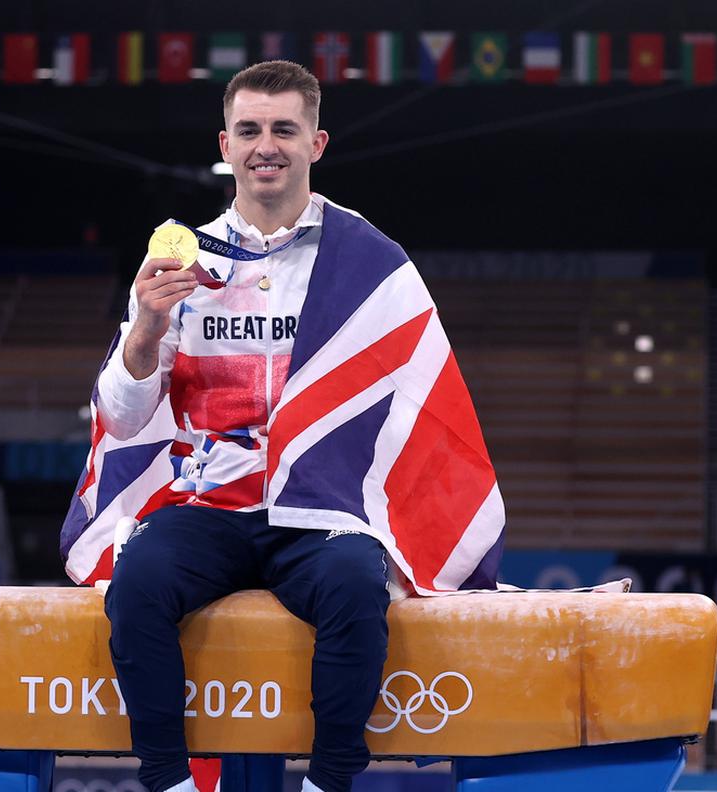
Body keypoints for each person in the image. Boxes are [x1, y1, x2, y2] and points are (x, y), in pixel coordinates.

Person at [61, 60, 505, 792]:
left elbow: (427, 405)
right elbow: (124, 416)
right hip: (211, 505)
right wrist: (146, 326)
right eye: (250, 130)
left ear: (317, 143)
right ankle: (168, 781)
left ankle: (328, 782)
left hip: (320, 506)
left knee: (359, 586)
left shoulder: (372, 265)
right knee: (137, 578)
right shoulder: (181, 263)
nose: (266, 145)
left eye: (284, 129)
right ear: (226, 145)